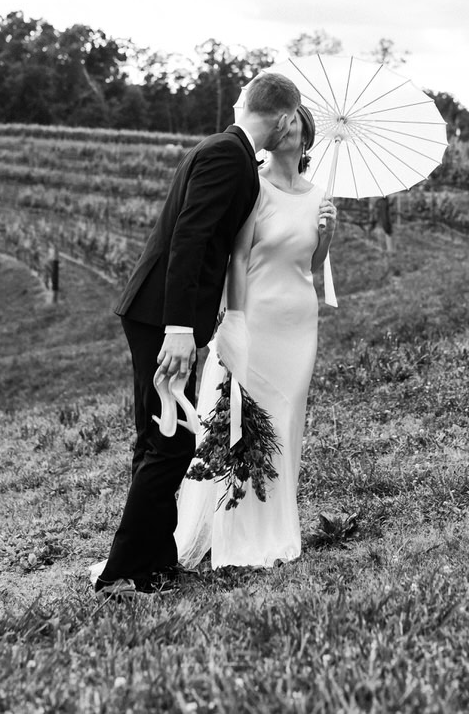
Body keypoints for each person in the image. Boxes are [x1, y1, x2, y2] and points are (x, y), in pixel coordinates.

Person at [92, 72, 301, 599]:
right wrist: (181, 329)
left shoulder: (227, 152)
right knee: (169, 441)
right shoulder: (227, 156)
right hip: (165, 317)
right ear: (280, 119)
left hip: (158, 313)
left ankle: (156, 564)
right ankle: (124, 572)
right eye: (293, 121)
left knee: (163, 437)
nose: (294, 130)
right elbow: (190, 238)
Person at [174, 104, 337, 569]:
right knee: (243, 419)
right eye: (283, 122)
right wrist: (237, 319)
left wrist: (327, 234)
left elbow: (309, 266)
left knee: (285, 420)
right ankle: (234, 529)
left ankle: (277, 526)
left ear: (305, 137)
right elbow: (238, 259)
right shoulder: (255, 186)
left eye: (297, 124)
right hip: (258, 316)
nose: (287, 128)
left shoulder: (318, 194)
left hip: (299, 322)